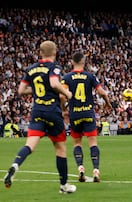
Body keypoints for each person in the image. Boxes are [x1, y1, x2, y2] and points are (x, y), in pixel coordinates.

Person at [3, 40, 76, 193]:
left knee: (29, 146)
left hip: (37, 112)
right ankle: (63, 186)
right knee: (60, 149)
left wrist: (35, 90)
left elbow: (21, 91)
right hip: (52, 112)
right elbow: (55, 84)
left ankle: (15, 165)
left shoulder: (31, 69)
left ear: (40, 53)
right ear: (55, 53)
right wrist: (67, 93)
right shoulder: (54, 67)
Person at [61, 51, 112, 183]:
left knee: (77, 143)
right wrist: (108, 103)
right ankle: (96, 171)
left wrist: (64, 109)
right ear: (84, 62)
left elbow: (61, 96)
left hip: (75, 114)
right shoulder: (90, 76)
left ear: (72, 62)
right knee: (93, 143)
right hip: (88, 113)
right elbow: (101, 92)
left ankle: (81, 169)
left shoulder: (66, 77)